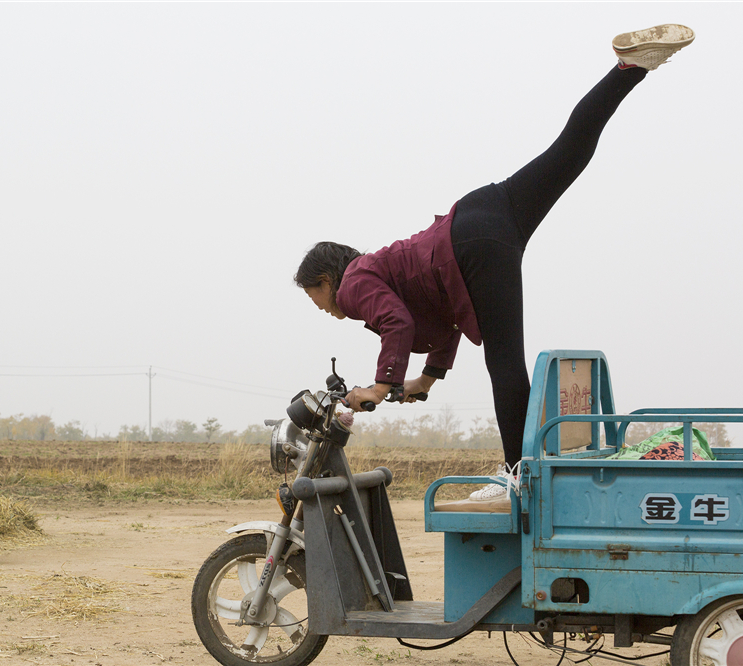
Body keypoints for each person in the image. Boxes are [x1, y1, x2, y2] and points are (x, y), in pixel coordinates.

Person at [294, 25, 695, 501]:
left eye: (315, 297)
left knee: (504, 361)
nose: (322, 307)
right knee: (569, 153)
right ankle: (630, 67)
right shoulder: (383, 270)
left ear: (325, 279)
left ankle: (517, 474)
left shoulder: (354, 283)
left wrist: (381, 387)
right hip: (488, 209)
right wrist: (426, 378)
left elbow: (396, 322)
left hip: (471, 242)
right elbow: (444, 321)